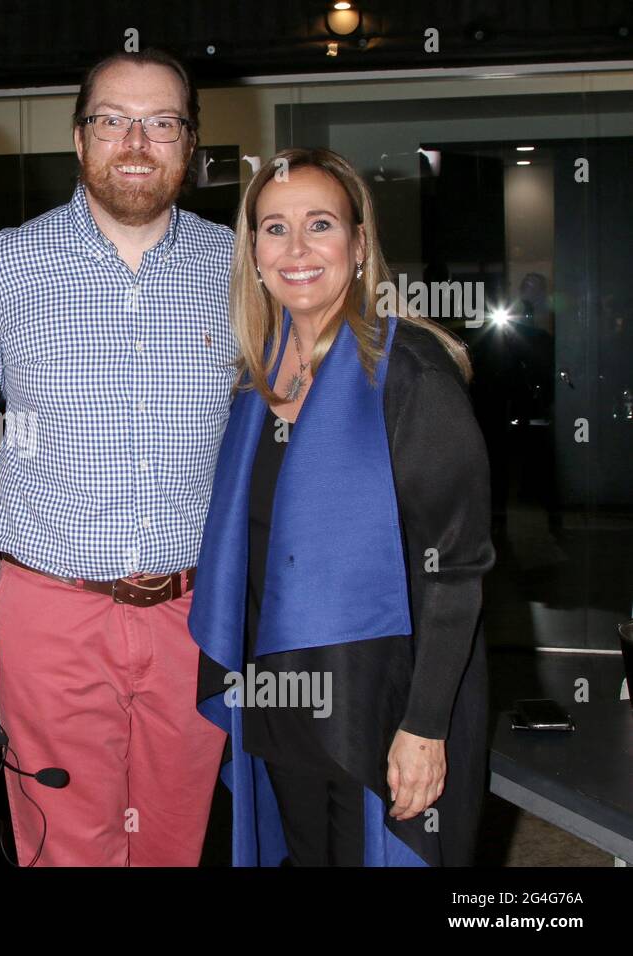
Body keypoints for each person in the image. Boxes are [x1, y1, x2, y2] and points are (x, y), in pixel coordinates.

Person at [189, 146, 493, 866]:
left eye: (319, 224)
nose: (295, 249)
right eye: (274, 228)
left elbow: (458, 569)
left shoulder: (410, 372)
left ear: (359, 244)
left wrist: (425, 727)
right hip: (279, 698)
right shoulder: (254, 383)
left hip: (379, 706)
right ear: (253, 250)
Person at [0, 49, 235, 866]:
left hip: (193, 617)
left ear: (189, 146)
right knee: (65, 846)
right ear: (79, 140)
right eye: (112, 120)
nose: (135, 141)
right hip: (50, 611)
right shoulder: (1, 266)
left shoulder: (241, 267)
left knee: (174, 842)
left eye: (161, 123)